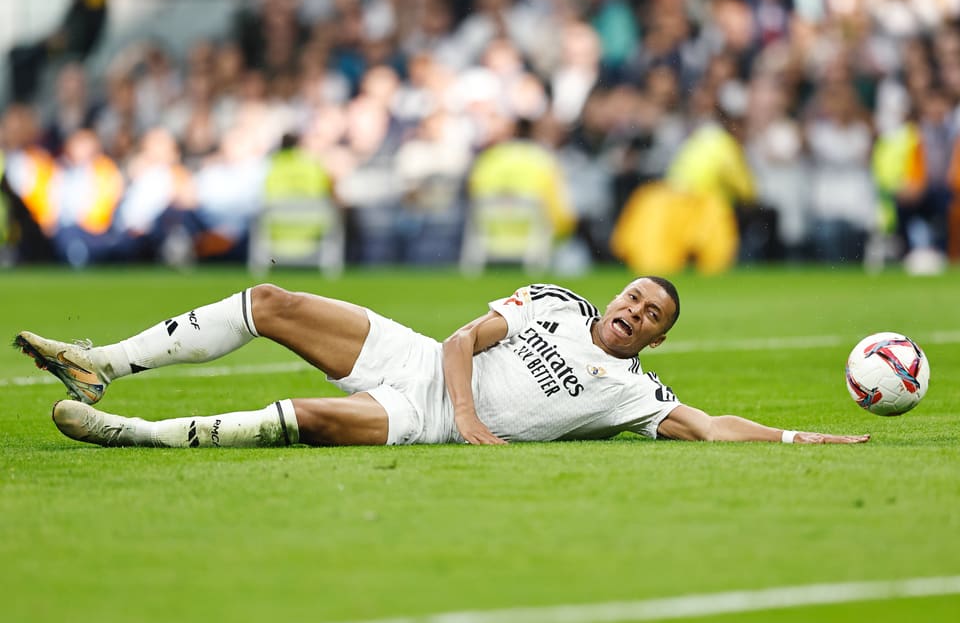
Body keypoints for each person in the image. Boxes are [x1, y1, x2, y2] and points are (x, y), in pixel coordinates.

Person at [15, 277, 870, 448]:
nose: (634, 312)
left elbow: (712, 425)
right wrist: (469, 413)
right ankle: (104, 365)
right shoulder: (556, 303)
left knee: (302, 420)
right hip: (421, 364)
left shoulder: (634, 391)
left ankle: (134, 434)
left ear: (655, 340)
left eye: (651, 316)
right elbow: (462, 341)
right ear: (615, 298)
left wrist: (803, 438)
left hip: (419, 421)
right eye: (634, 298)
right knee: (269, 301)